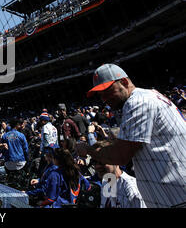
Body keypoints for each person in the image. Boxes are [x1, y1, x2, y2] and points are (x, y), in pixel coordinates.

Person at [77, 63, 186, 208]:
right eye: (100, 95)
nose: (104, 99)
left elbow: (120, 155)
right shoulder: (109, 182)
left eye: (108, 91)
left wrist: (88, 150)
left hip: (178, 196)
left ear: (124, 81)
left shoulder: (137, 101)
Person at [91, 141, 146, 208]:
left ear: (116, 160)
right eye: (94, 161)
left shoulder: (131, 188)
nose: (97, 166)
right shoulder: (105, 182)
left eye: (102, 161)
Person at [0, 118, 29, 189]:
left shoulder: (4, 136)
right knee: (20, 186)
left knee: (10, 186)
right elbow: (26, 150)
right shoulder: (21, 135)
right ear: (17, 125)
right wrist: (27, 161)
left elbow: (2, 150)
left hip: (9, 163)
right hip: (20, 163)